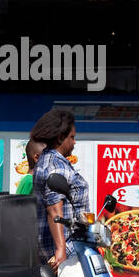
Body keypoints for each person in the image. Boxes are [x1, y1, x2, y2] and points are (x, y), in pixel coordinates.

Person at [29, 109, 89, 268]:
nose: (75, 142)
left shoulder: (46, 160)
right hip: (68, 247)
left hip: (55, 245)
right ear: (61, 138)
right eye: (72, 137)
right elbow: (54, 209)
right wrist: (61, 249)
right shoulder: (57, 167)